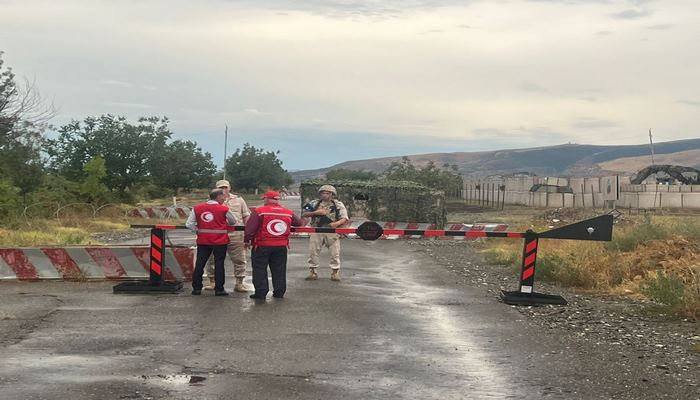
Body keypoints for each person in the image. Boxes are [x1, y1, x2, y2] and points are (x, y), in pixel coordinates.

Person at [244, 191, 304, 300]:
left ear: (267, 199)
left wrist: (246, 240)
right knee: (279, 269)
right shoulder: (288, 212)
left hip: (262, 245)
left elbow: (250, 229)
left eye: (264, 198)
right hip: (281, 245)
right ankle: (279, 292)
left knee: (259, 269)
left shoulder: (259, 211)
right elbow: (299, 223)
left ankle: (261, 293)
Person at [203, 179, 252, 292]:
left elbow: (246, 216)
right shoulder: (211, 201)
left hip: (236, 234)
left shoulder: (239, 200)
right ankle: (213, 282)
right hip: (217, 234)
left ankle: (239, 283)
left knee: (239, 258)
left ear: (230, 188)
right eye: (221, 188)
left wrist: (247, 234)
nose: (223, 190)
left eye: (225, 187)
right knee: (212, 259)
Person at [186, 188, 237, 296]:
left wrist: (198, 231)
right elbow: (233, 221)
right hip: (220, 241)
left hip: (203, 240)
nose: (224, 198)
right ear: (218, 197)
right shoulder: (223, 209)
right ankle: (219, 289)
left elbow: (189, 224)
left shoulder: (197, 208)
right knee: (219, 264)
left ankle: (196, 288)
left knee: (200, 264)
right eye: (223, 196)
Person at [301, 184, 349, 281]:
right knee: (313, 252)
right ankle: (313, 272)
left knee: (335, 253)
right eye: (323, 193)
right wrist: (315, 213)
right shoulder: (314, 203)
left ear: (332, 194)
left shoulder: (338, 204)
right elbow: (304, 213)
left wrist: (336, 224)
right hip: (316, 230)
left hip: (331, 231)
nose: (325, 195)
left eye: (327, 193)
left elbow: (344, 218)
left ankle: (335, 272)